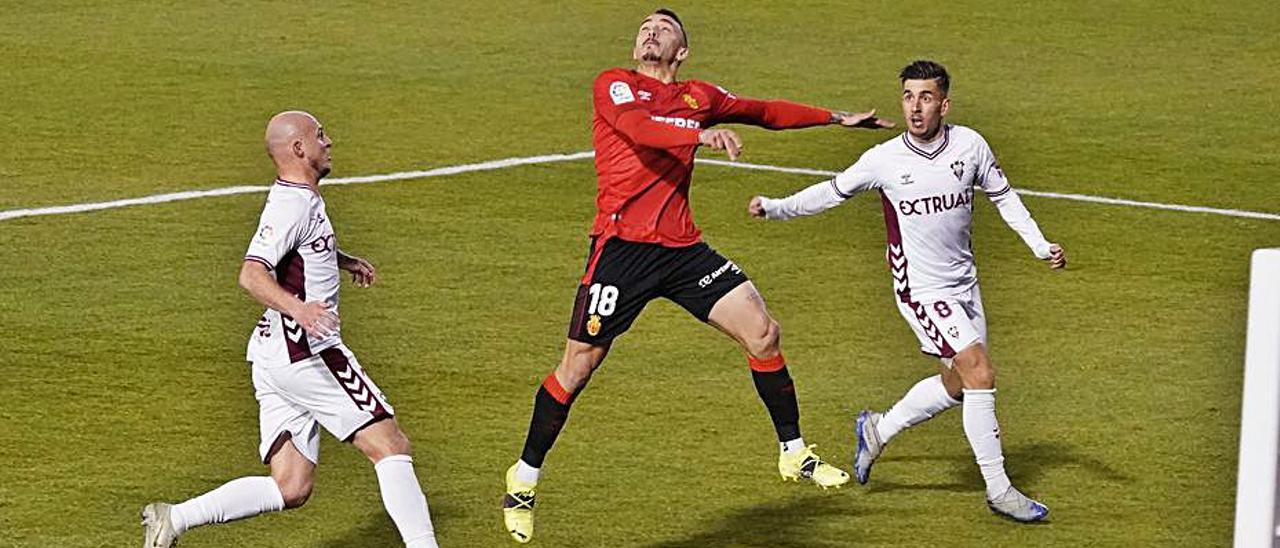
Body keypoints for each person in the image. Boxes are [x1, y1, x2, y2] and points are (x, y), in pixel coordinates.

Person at [501, 8, 894, 543]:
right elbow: (639, 130)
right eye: (645, 26)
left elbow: (763, 111)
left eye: (663, 29)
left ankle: (793, 452)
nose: (650, 32)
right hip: (622, 250)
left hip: (683, 250)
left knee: (763, 332)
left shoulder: (698, 95)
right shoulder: (615, 85)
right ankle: (523, 480)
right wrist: (700, 137)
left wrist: (834, 117)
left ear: (681, 52)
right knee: (577, 368)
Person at [749, 60, 1066, 523]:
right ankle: (999, 491)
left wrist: (1040, 246)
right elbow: (831, 192)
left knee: (960, 384)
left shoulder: (970, 145)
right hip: (920, 288)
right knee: (979, 371)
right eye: (908, 97)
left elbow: (1002, 195)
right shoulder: (884, 159)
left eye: (925, 97)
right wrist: (776, 209)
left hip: (964, 284)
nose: (915, 107)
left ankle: (879, 428)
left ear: (944, 103)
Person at [140, 111, 439, 547]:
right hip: (306, 352)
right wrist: (300, 310)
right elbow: (252, 274)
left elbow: (299, 249)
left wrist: (342, 259)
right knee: (390, 445)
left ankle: (175, 519)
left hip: (271, 352)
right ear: (299, 149)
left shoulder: (299, 197)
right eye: (320, 136)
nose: (330, 141)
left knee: (291, 486)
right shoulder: (292, 204)